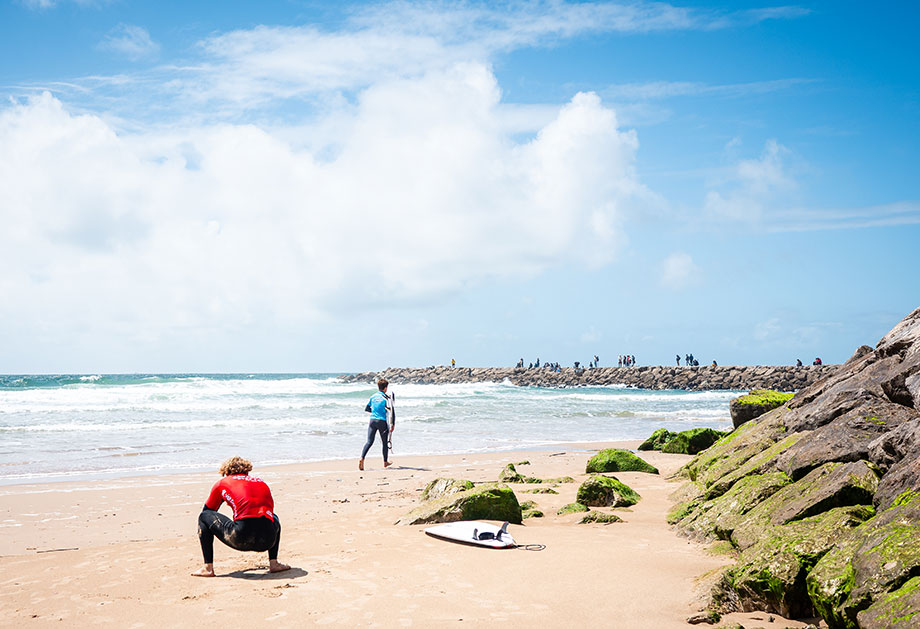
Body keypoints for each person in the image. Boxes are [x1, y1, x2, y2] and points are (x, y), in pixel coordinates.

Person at [192, 456, 290, 577]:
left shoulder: (223, 483)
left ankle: (208, 568)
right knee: (272, 517)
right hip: (268, 539)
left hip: (241, 537)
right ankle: (274, 563)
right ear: (247, 471)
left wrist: (225, 499)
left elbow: (208, 511)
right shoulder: (261, 482)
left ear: (226, 472)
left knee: (204, 516)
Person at [359, 378, 395, 471]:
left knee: (369, 442)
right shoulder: (386, 398)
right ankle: (385, 462)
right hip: (381, 421)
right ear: (385, 388)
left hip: (372, 420)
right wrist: (393, 424)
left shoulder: (373, 396)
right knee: (384, 443)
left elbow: (367, 409)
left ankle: (362, 458)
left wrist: (374, 411)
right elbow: (392, 412)